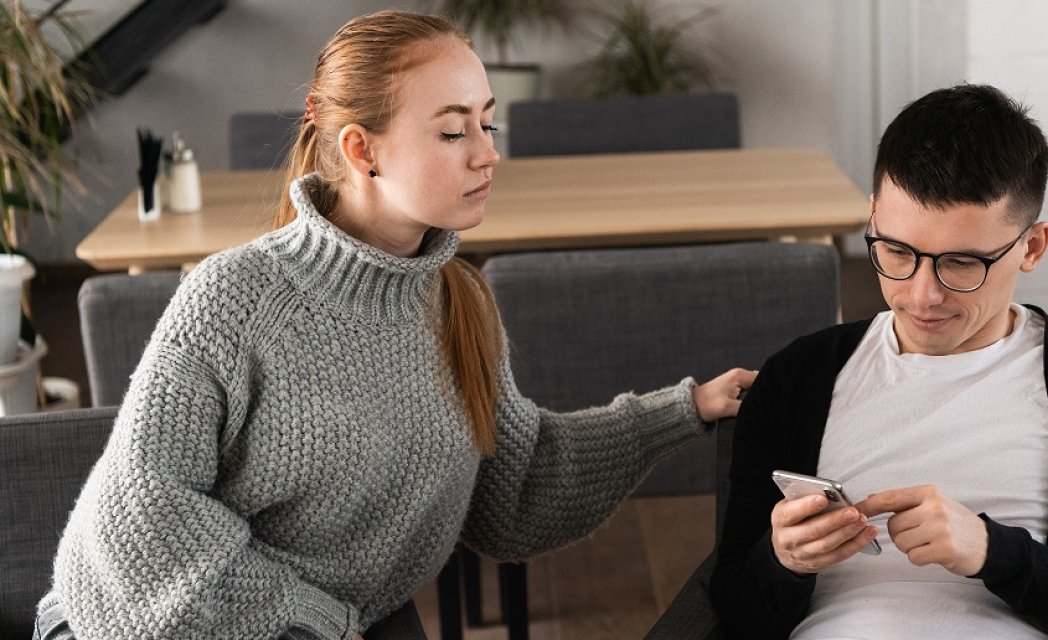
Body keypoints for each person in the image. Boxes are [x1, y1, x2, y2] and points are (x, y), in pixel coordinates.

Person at [33, 11, 755, 640]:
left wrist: (684, 409)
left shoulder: (459, 304)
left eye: (486, 121)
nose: (487, 152)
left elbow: (516, 491)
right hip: (140, 623)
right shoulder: (235, 299)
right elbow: (142, 528)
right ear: (361, 150)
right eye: (451, 131)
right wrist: (314, 621)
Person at [709, 84, 1048, 639]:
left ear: (1031, 247)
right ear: (872, 218)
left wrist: (993, 552)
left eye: (961, 263)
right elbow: (734, 607)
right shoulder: (797, 378)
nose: (922, 294)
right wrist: (783, 563)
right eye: (897, 252)